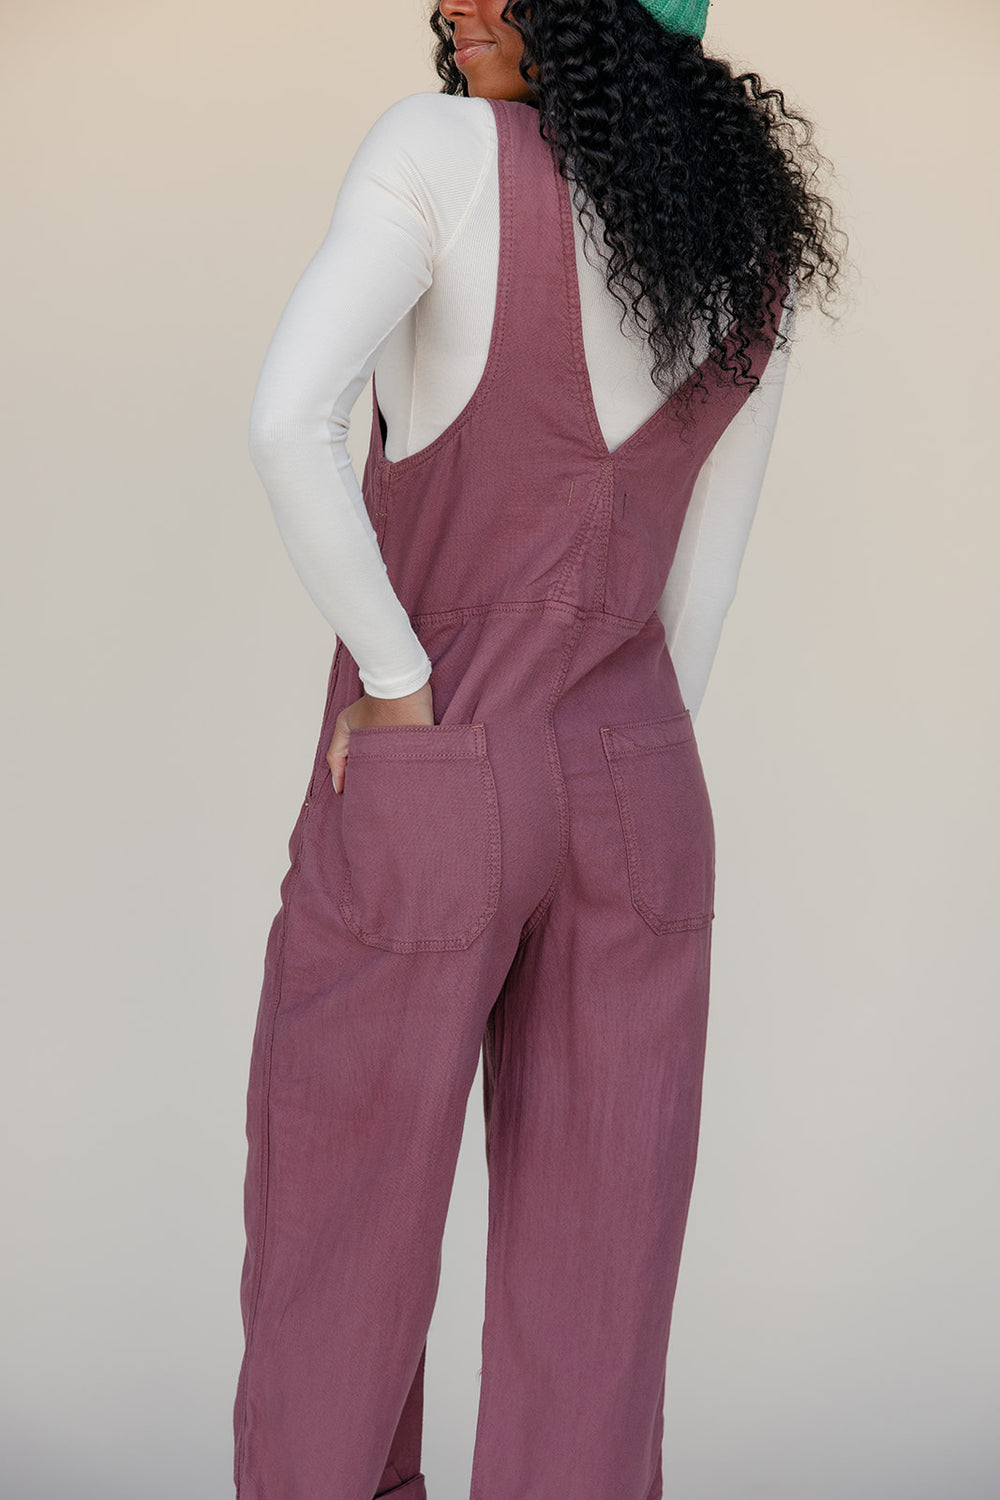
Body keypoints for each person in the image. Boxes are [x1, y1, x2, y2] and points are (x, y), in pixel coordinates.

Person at [232, 3, 845, 1497]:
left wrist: (396, 676)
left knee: (340, 1240)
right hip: (641, 781)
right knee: (602, 1280)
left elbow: (289, 420)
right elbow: (701, 591)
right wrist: (618, 749)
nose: (455, 2)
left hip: (439, 757)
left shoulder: (439, 152)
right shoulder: (741, 246)